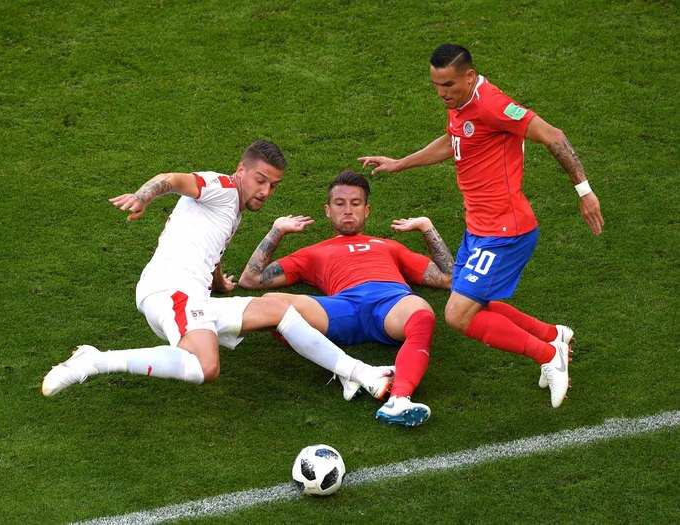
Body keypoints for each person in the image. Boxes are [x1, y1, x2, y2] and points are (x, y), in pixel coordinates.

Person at [42, 141, 391, 398]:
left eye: (273, 185)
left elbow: (210, 248)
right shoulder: (222, 187)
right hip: (171, 291)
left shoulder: (232, 210)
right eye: (260, 180)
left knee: (279, 309)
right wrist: (144, 195)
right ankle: (95, 360)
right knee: (206, 367)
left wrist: (219, 281)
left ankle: (354, 372)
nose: (266, 191)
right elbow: (172, 180)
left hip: (195, 296)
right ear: (241, 171)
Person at [359, 44, 605, 408]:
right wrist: (401, 163)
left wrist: (585, 192)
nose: (441, 93)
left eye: (448, 85)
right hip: (478, 228)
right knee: (475, 306)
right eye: (436, 85)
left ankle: (546, 355)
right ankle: (555, 337)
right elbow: (454, 140)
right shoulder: (461, 106)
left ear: (470, 77)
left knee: (458, 314)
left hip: (506, 231)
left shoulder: (493, 105)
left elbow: (553, 135)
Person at [238, 170, 453, 427]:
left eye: (355, 203)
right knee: (272, 303)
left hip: (390, 302)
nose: (348, 210)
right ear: (328, 210)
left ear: (367, 210)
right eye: (340, 204)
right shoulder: (313, 252)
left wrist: (427, 227)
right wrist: (277, 231)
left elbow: (448, 278)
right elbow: (251, 279)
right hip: (343, 308)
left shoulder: (388, 246)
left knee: (421, 313)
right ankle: (348, 371)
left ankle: (399, 399)